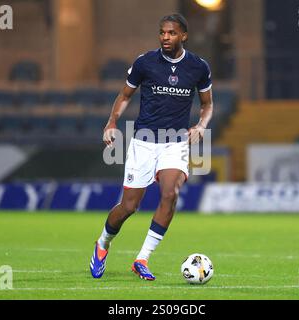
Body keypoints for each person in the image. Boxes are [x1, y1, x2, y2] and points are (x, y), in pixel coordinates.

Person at [90, 13, 213, 281]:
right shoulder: (145, 62)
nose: (165, 37)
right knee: (129, 207)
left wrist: (201, 125)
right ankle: (102, 243)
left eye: (171, 33)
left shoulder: (198, 67)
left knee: (170, 193)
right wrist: (112, 122)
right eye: (162, 33)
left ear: (184, 36)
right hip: (144, 142)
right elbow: (124, 95)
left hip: (176, 142)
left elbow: (207, 104)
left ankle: (142, 258)